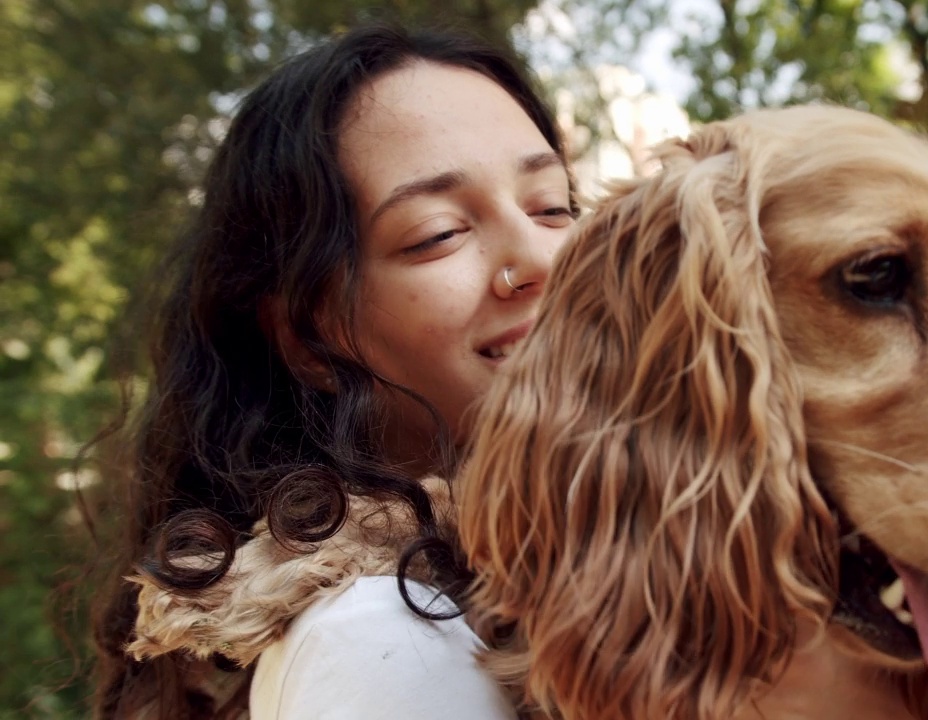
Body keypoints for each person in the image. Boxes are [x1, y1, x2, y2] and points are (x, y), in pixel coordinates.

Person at [90, 22, 577, 719]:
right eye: (438, 233)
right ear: (313, 341)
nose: (539, 260)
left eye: (553, 207)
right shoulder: (385, 641)